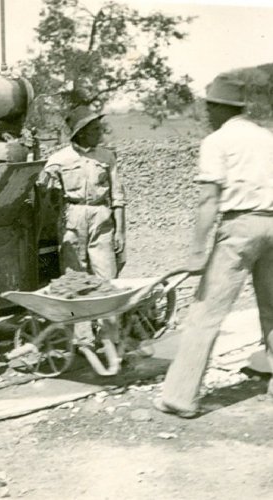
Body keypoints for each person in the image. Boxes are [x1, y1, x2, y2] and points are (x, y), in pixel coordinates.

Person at [154, 74, 273, 418]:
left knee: (206, 313)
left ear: (221, 108)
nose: (207, 114)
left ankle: (179, 397)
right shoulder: (267, 137)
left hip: (240, 228)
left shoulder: (217, 141)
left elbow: (208, 200)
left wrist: (196, 251)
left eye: (210, 108)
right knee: (272, 309)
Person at [36, 106, 127, 373]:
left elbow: (118, 197)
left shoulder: (107, 157)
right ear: (81, 133)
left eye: (100, 128)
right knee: (75, 282)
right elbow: (43, 192)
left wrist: (121, 231)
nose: (100, 133)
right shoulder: (58, 159)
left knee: (107, 282)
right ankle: (82, 340)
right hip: (72, 218)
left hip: (102, 218)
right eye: (95, 129)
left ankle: (109, 338)